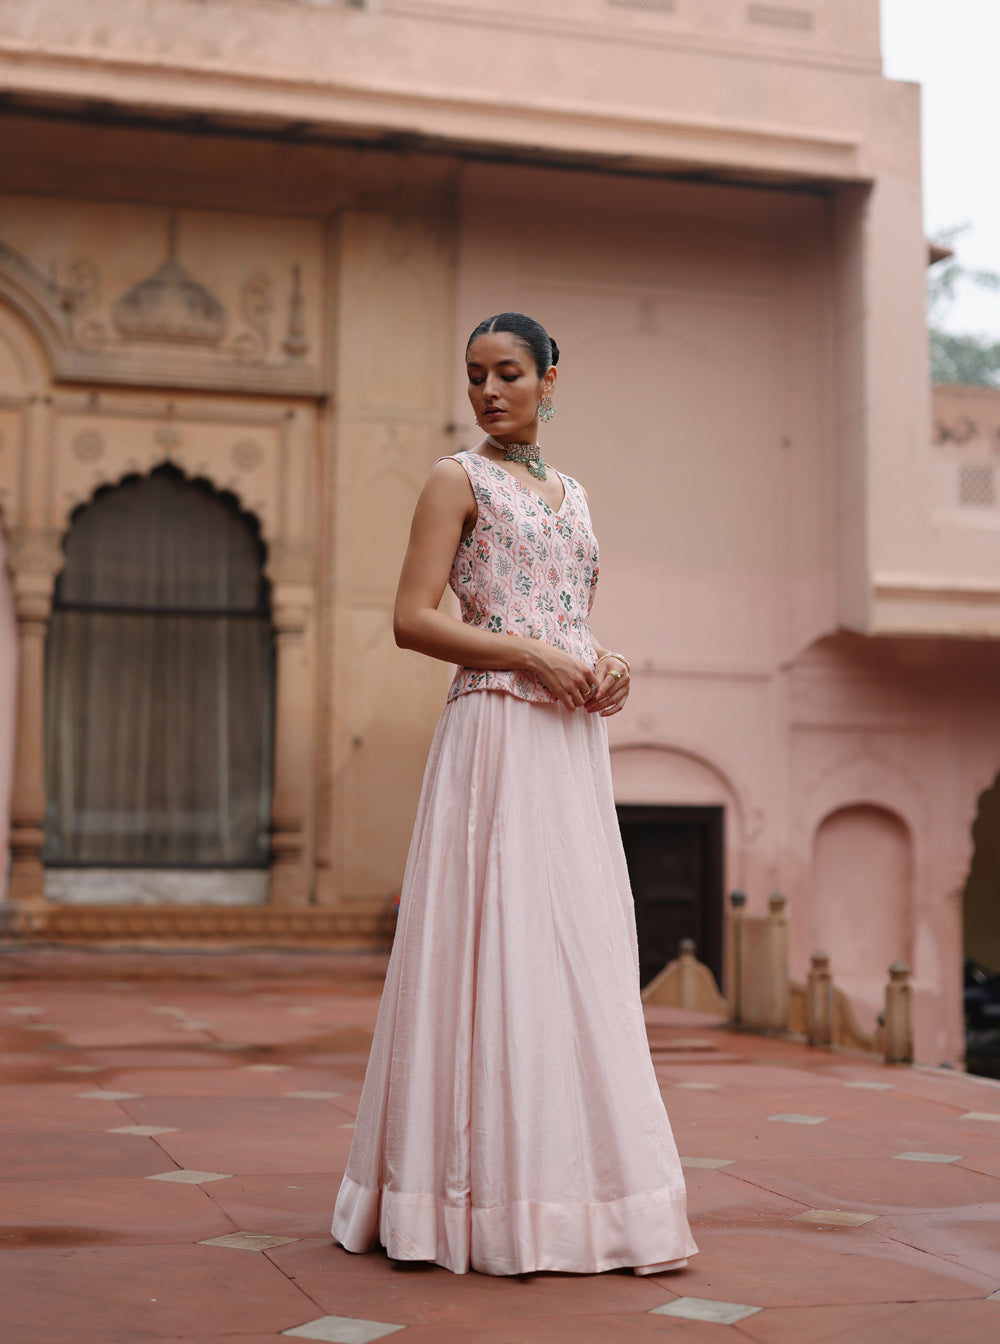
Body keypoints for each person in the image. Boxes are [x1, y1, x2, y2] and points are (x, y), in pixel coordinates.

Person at [331, 312, 697, 1276]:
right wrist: (534, 653)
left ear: (550, 380)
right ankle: (464, 1202)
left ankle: (579, 1197)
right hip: (493, 727)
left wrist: (600, 659)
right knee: (491, 943)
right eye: (476, 376)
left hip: (570, 740)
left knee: (574, 947)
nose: (491, 392)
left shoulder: (574, 494)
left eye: (509, 374)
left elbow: (567, 613)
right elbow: (412, 621)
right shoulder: (455, 480)